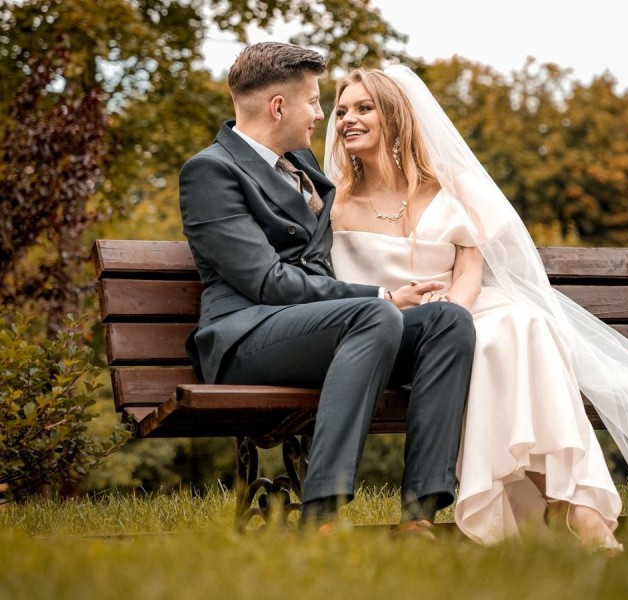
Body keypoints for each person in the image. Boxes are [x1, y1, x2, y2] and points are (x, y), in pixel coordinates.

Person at [324, 65, 628, 548]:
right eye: (341, 112)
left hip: (463, 310)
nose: (347, 120)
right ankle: (566, 501)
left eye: (364, 108)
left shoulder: (453, 186)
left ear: (396, 117)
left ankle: (577, 503)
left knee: (524, 323)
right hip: (393, 330)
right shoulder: (333, 201)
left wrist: (454, 312)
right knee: (496, 342)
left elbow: (469, 270)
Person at [178, 43, 476, 538]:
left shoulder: (300, 162)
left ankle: (419, 512)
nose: (322, 116)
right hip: (243, 339)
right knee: (376, 314)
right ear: (278, 107)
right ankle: (323, 512)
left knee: (448, 321)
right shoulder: (211, 171)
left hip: (315, 333)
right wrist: (380, 296)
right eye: (315, 102)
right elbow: (265, 281)